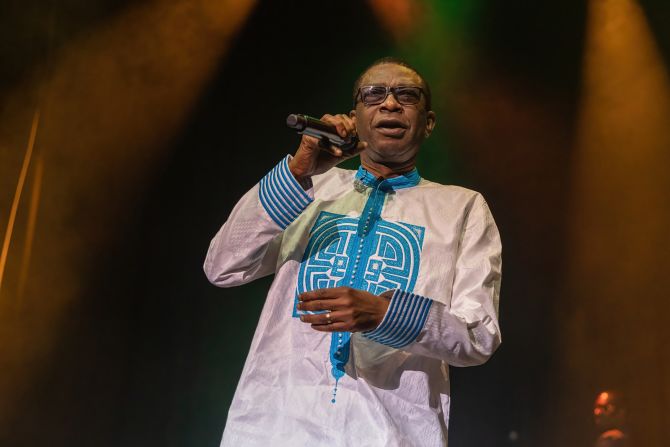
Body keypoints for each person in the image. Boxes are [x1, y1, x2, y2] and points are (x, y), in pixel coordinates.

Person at [204, 57, 502, 446]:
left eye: (406, 95)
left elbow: (479, 336)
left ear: (428, 123)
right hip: (274, 425)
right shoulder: (311, 187)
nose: (390, 104)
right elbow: (223, 266)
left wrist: (387, 314)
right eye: (374, 94)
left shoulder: (463, 207)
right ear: (354, 118)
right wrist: (299, 171)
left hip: (391, 432)